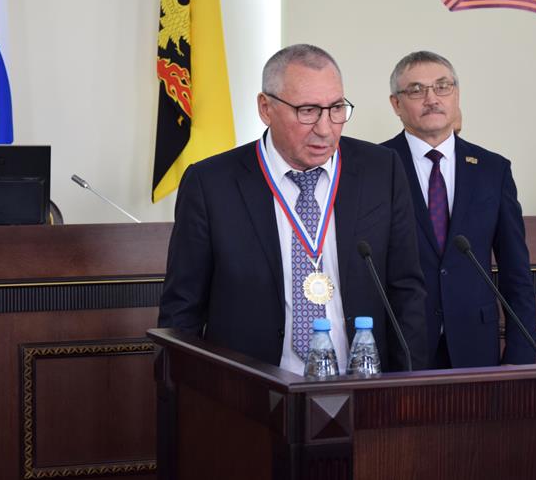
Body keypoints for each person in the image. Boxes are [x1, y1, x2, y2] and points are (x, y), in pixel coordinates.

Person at [159, 44, 427, 373]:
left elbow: (407, 290)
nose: (325, 128)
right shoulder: (211, 183)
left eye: (336, 108)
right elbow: (182, 309)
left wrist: (408, 388)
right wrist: (181, 392)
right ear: (266, 108)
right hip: (250, 388)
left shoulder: (381, 170)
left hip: (362, 385)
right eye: (307, 111)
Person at [382, 50, 536, 368]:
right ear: (396, 104)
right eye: (416, 90)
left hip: (475, 344)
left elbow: (516, 273)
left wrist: (520, 357)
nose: (432, 99)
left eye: (442, 87)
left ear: (457, 95)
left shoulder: (493, 170)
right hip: (399, 345)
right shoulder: (375, 167)